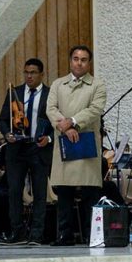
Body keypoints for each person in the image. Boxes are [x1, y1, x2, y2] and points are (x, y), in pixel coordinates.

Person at [47, 45, 107, 246]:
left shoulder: (97, 85)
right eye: (75, 58)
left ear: (89, 63)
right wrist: (65, 127)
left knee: (90, 193)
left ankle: (93, 236)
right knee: (64, 192)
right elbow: (51, 109)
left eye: (83, 59)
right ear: (70, 60)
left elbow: (95, 109)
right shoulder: (58, 84)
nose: (79, 62)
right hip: (65, 141)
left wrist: (72, 121)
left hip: (87, 142)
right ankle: (64, 235)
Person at [0, 58, 53, 246]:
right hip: (16, 149)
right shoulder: (15, 92)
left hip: (38, 148)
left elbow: (56, 122)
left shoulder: (49, 94)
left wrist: (49, 138)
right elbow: (3, 119)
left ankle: (36, 235)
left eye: (33, 72)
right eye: (26, 72)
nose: (29, 76)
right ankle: (17, 232)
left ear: (41, 74)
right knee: (14, 191)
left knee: (39, 193)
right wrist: (7, 134)